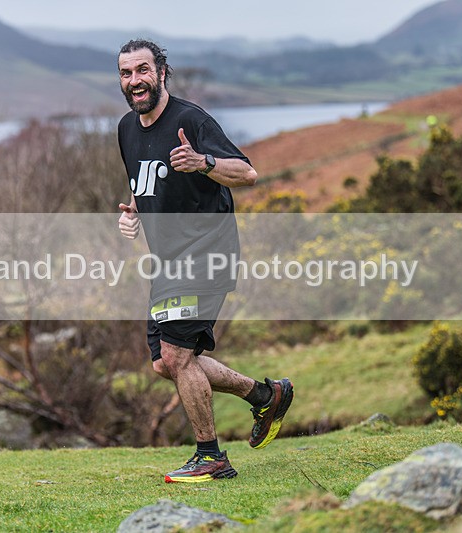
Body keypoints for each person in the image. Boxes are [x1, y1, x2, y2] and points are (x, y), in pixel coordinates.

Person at [116, 39, 294, 483]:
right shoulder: (126, 128)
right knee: (164, 363)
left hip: (206, 255)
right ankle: (265, 396)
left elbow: (247, 173)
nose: (135, 81)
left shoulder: (191, 120)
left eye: (143, 70)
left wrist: (203, 161)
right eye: (126, 73)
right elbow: (145, 182)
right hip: (167, 262)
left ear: (161, 73)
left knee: (177, 356)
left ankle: (210, 456)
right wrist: (134, 211)